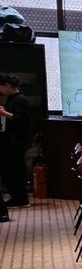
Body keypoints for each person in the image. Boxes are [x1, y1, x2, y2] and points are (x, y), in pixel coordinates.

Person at [0, 74, 31, 208]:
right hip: (11, 140)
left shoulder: (20, 99)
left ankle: (20, 199)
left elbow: (19, 118)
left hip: (17, 141)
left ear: (7, 86)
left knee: (16, 170)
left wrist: (3, 113)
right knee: (11, 170)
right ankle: (16, 197)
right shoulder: (12, 98)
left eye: (1, 87)